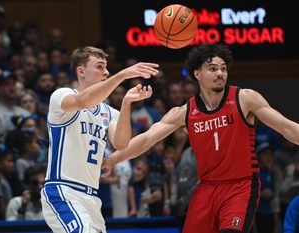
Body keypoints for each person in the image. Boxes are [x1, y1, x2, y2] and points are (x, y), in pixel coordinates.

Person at [102, 43, 299, 233]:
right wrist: (113, 159)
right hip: (206, 188)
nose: (220, 73)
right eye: (212, 68)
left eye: (223, 68)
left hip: (241, 186)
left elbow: (285, 126)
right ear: (197, 74)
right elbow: (146, 140)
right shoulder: (184, 112)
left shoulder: (244, 99)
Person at [40, 46, 159, 233]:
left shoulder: (108, 112)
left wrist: (126, 103)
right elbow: (83, 102)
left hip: (91, 198)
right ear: (81, 71)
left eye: (106, 67)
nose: (106, 72)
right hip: (63, 191)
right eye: (99, 66)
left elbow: (121, 144)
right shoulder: (61, 95)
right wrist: (122, 75)